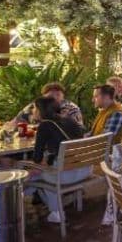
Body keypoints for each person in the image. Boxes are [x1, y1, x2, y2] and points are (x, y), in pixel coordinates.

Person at [26, 96, 87, 224]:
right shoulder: (70, 120)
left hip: (65, 175)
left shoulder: (45, 125)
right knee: (40, 171)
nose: (32, 111)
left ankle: (55, 211)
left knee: (30, 174)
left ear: (41, 110)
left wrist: (34, 168)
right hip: (85, 169)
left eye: (34, 108)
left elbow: (37, 159)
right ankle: (56, 208)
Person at [12, 82, 83, 127]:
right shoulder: (34, 106)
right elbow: (16, 121)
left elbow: (77, 130)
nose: (55, 98)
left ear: (63, 96)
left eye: (58, 95)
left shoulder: (71, 108)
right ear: (43, 97)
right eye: (50, 96)